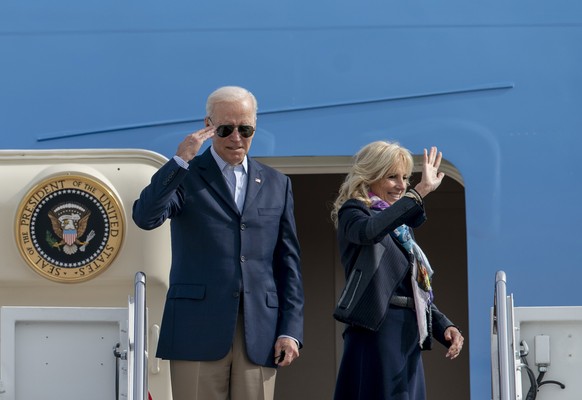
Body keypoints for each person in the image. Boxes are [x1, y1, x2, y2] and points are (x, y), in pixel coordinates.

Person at [132, 86, 304, 400]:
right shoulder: (186, 175)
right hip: (196, 329)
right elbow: (146, 217)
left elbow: (288, 263)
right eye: (225, 129)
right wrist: (180, 160)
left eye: (245, 128)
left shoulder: (278, 184)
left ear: (255, 125)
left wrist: (290, 329)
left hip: (260, 332)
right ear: (208, 125)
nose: (236, 137)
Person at [331, 141, 464, 400]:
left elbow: (414, 287)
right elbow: (370, 232)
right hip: (376, 333)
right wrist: (419, 192)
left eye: (405, 178)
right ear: (370, 176)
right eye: (392, 177)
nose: (402, 185)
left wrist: (444, 326)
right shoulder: (354, 212)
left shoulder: (401, 229)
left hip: (407, 334)